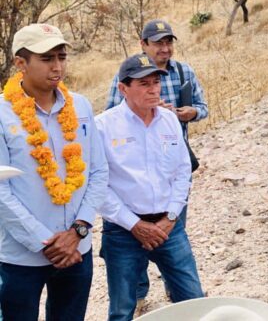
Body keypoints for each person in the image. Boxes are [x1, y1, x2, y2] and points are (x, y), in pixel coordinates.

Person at [0, 24, 108, 320]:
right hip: (22, 257)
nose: (57, 67)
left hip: (77, 250)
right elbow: (0, 191)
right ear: (20, 63)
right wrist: (45, 243)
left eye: (61, 57)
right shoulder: (2, 114)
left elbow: (98, 172)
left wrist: (78, 231)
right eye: (47, 59)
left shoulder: (81, 106)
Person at [105, 19, 208, 311]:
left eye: (156, 82)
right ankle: (142, 296)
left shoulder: (170, 118)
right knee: (123, 308)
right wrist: (134, 224)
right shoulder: (105, 127)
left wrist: (170, 217)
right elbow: (99, 183)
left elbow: (181, 172)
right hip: (124, 227)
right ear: (124, 88)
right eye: (144, 84)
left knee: (193, 299)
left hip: (168, 219)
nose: (153, 90)